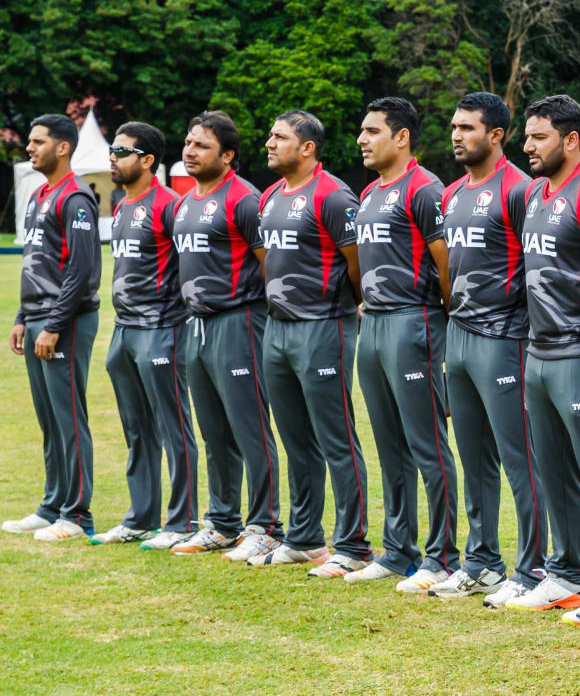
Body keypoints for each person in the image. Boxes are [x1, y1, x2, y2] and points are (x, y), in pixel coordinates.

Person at [502, 94, 580, 615]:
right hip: (538, 353)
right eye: (527, 136)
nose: (527, 146)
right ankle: (564, 573)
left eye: (539, 137)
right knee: (552, 471)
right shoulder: (533, 193)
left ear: (571, 140)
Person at [343, 97, 463, 592]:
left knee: (427, 444)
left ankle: (443, 556)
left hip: (414, 323)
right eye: (362, 131)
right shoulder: (370, 192)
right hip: (371, 325)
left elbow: (447, 263)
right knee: (389, 446)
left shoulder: (424, 188)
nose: (362, 140)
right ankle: (398, 551)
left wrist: (440, 320)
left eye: (372, 131)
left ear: (402, 137)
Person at [251, 110, 375, 573]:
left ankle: (355, 546)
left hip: (323, 327)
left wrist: (347, 306)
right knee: (296, 440)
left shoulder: (332, 195)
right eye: (270, 134)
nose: (269, 143)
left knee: (336, 438)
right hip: (277, 329)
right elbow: (268, 261)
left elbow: (357, 261)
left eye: (279, 137)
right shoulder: (268, 197)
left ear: (307, 148)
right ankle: (305, 537)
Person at [164, 111, 285, 557]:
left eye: (202, 145)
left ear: (228, 155)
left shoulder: (244, 199)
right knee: (213, 429)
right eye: (188, 142)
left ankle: (266, 524)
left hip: (240, 320)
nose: (190, 151)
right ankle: (221, 521)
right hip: (195, 324)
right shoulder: (184, 202)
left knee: (250, 426)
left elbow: (269, 261)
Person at [437, 91, 534, 602]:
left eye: (468, 128)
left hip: (506, 339)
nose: (457, 135)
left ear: (496, 135)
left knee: (520, 458)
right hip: (460, 336)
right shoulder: (451, 194)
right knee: (472, 456)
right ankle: (481, 561)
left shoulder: (520, 189)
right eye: (454, 126)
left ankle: (535, 569)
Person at [93, 122, 199, 548]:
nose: (112, 157)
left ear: (148, 160)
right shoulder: (121, 205)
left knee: (174, 429)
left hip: (161, 329)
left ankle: (182, 522)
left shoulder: (170, 205)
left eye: (122, 150)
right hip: (123, 331)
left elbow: (190, 270)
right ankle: (140, 517)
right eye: (112, 149)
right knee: (136, 431)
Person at [3, 114, 102, 542]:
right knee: (48, 419)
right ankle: (52, 505)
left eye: (38, 141)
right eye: (29, 140)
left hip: (67, 321)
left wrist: (54, 325)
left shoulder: (76, 197)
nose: (29, 147)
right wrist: (24, 318)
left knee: (68, 418)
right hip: (40, 318)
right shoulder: (38, 194)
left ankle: (77, 516)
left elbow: (81, 270)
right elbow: (34, 263)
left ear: (62, 147)